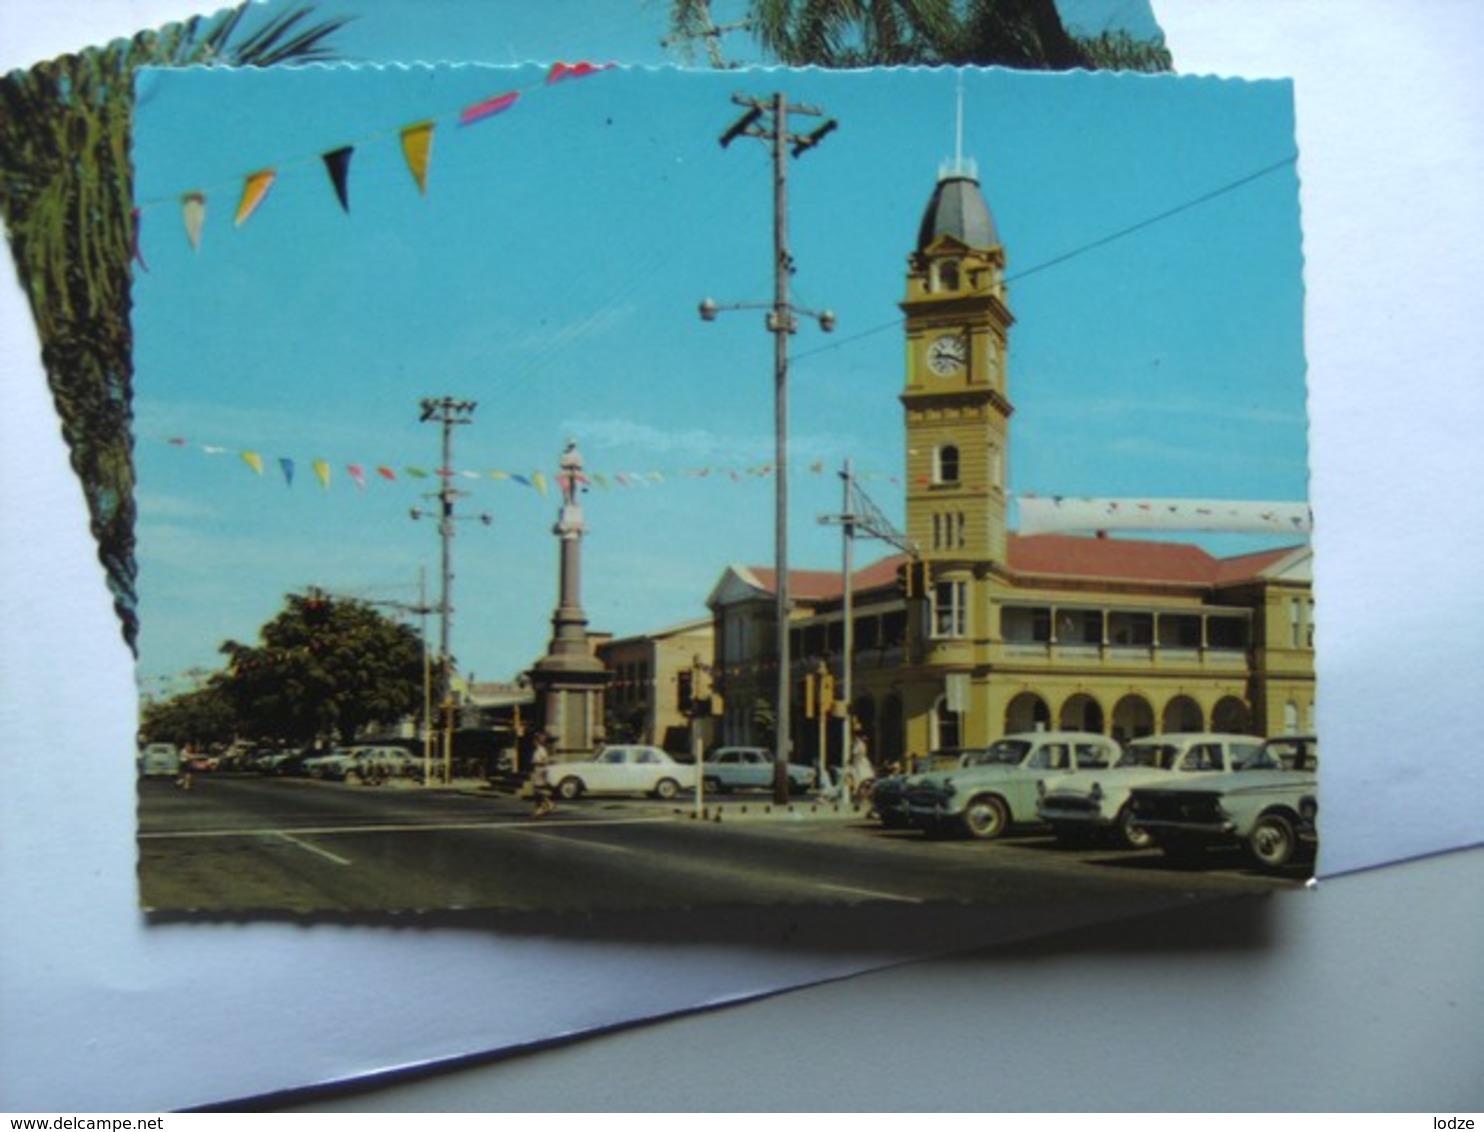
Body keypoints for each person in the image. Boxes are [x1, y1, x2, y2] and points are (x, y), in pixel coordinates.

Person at [529, 731, 555, 817]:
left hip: (540, 771)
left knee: (538, 791)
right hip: (537, 770)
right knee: (537, 791)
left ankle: (545, 805)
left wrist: (537, 762)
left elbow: (546, 761)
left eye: (534, 741)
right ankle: (544, 805)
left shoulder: (541, 750)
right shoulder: (537, 750)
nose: (533, 743)